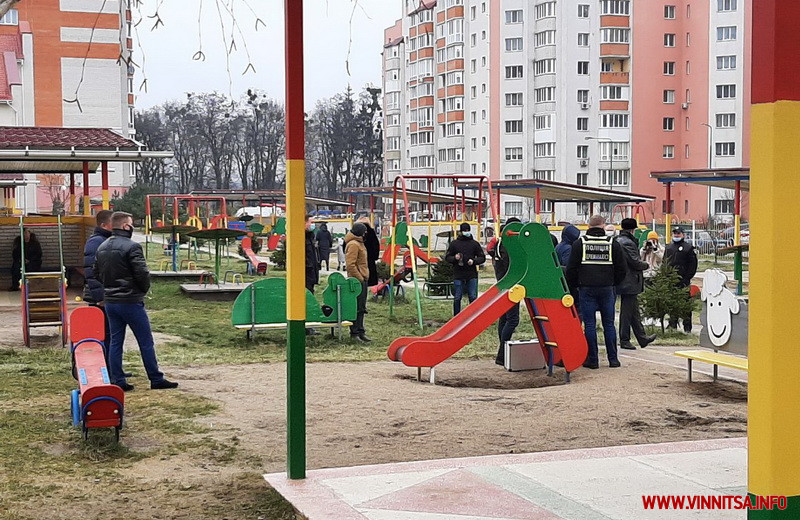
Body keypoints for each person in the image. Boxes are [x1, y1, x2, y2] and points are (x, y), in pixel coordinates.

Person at [94, 212, 177, 391]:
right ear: (125, 226)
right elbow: (142, 273)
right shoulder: (132, 247)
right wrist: (142, 290)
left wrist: (109, 287)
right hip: (130, 300)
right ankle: (155, 378)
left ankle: (117, 380)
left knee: (116, 341)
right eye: (131, 224)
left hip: (111, 301)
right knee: (145, 341)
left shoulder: (102, 247)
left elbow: (96, 273)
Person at [566, 215, 627, 369]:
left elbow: (571, 269)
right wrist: (614, 283)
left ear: (588, 226)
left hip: (586, 288)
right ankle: (613, 360)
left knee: (590, 325)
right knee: (609, 324)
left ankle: (593, 360)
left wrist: (576, 285)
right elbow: (622, 268)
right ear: (603, 226)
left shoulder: (580, 243)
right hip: (607, 288)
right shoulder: (613, 243)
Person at [83, 210, 132, 376]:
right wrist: (100, 297)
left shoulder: (108, 240)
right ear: (104, 225)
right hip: (102, 298)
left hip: (111, 295)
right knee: (105, 335)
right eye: (113, 223)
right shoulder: (96, 242)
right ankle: (108, 371)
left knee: (114, 335)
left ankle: (115, 370)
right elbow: (91, 271)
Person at [616, 219, 658, 351]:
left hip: (625, 280)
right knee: (627, 312)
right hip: (630, 281)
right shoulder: (627, 243)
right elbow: (634, 262)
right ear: (633, 229)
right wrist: (646, 265)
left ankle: (642, 338)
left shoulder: (618, 240)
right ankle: (624, 339)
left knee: (633, 311)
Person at [487, 217, 520, 366]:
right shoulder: (508, 245)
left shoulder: (499, 243)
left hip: (501, 283)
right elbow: (512, 266)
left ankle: (503, 351)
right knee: (513, 320)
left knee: (505, 319)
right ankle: (502, 353)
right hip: (510, 285)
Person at [445, 222, 486, 315]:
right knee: (457, 297)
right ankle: (456, 317)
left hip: (471, 274)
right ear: (461, 231)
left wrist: (474, 261)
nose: (466, 232)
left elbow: (482, 257)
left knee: (472, 297)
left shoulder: (474, 244)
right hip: (458, 274)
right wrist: (455, 258)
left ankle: (473, 316)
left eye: (468, 230)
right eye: (465, 230)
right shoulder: (454, 244)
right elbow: (447, 257)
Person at [664, 226, 698, 332]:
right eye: (674, 233)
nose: (676, 235)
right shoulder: (669, 247)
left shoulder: (688, 248)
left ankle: (687, 327)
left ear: (683, 235)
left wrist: (687, 278)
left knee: (685, 306)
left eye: (678, 233)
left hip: (683, 281)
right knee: (672, 304)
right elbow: (665, 263)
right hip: (671, 281)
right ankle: (672, 324)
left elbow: (693, 265)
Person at [345, 222, 371, 342]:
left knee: (361, 307)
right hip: (356, 281)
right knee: (356, 307)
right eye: (364, 231)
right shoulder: (354, 245)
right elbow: (350, 264)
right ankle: (354, 332)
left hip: (362, 279)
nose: (366, 234)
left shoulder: (359, 243)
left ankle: (361, 331)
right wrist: (360, 278)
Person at [555, 224, 581, 313]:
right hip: (568, 283)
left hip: (560, 281)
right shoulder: (569, 249)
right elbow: (568, 266)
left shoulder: (559, 246)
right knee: (576, 308)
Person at [357, 215, 380, 287]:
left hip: (358, 258)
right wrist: (375, 256)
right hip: (370, 257)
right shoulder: (371, 232)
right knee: (370, 275)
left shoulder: (356, 231)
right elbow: (376, 245)